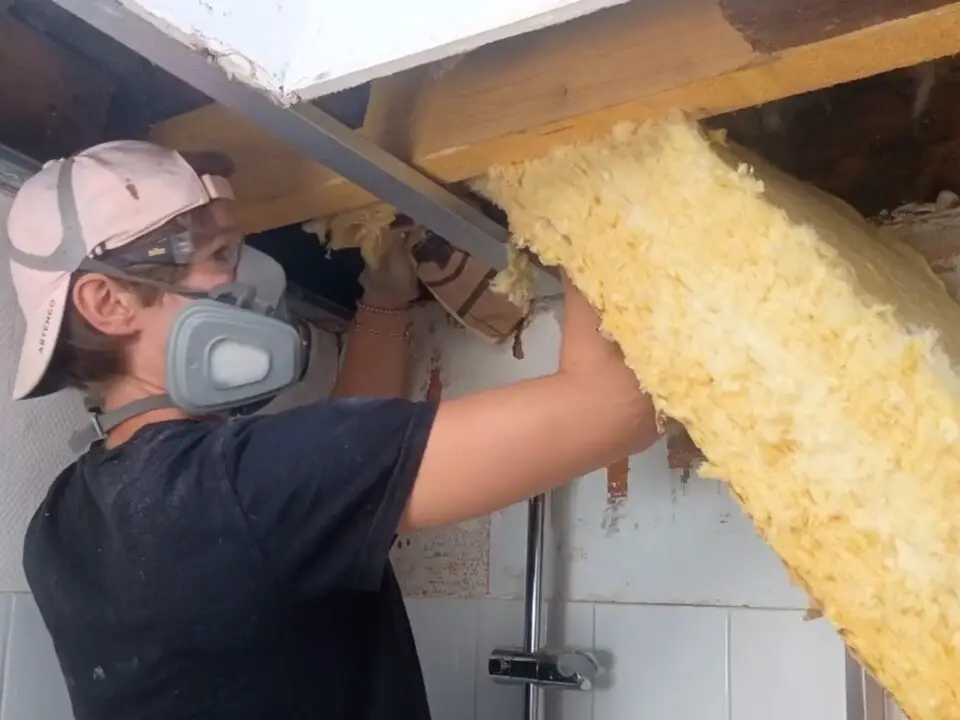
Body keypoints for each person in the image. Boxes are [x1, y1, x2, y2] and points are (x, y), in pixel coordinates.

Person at [5, 140, 660, 720]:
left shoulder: (60, 525)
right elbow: (614, 407)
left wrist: (385, 290)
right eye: (218, 254)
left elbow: (328, 476)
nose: (252, 280)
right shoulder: (237, 491)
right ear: (109, 302)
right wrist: (586, 192)